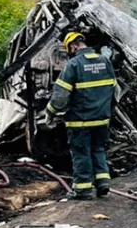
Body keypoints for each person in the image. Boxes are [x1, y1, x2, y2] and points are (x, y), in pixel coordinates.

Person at [47, 32, 116, 200]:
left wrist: (50, 112)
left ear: (73, 46)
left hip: (80, 121)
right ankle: (103, 183)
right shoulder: (105, 61)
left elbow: (60, 97)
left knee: (81, 153)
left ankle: (83, 189)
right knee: (98, 149)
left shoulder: (73, 65)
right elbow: (114, 91)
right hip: (102, 119)